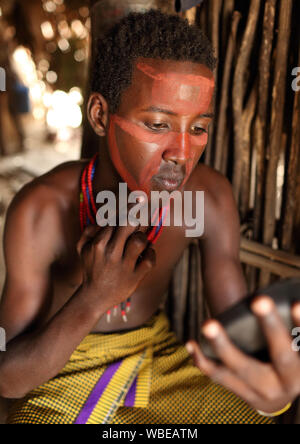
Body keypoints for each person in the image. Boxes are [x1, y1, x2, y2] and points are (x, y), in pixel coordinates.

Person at [0, 10, 299, 424]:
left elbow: (240, 338)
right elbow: (8, 379)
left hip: (161, 363)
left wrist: (272, 390)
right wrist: (92, 300)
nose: (181, 152)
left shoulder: (208, 197)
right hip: (58, 372)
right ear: (101, 116)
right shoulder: (42, 209)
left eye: (197, 128)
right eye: (158, 124)